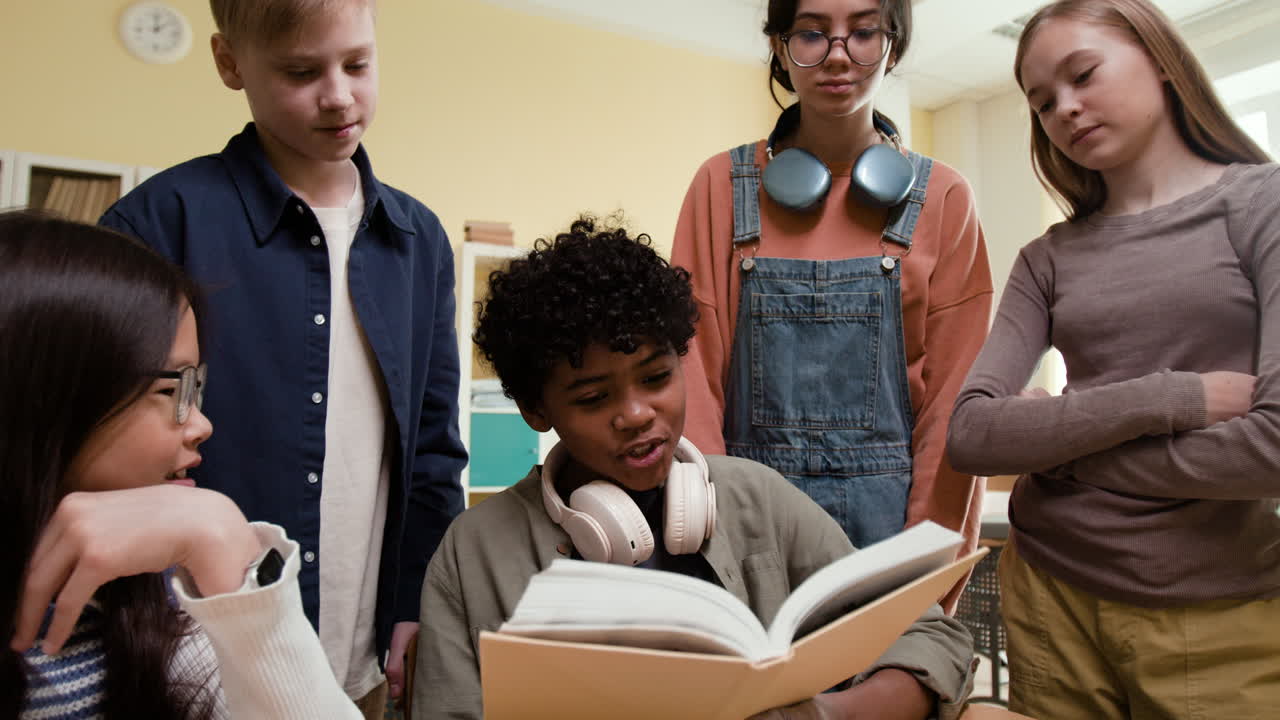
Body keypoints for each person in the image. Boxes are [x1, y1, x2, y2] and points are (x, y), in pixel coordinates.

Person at [412, 217, 975, 720]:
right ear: (537, 410)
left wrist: (832, 714)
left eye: (656, 379)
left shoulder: (756, 497)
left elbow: (929, 633)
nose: (636, 415)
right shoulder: (473, 554)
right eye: (592, 398)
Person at [98, 0, 467, 711]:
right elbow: (104, 457)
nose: (339, 95)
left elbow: (432, 451)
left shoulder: (419, 241)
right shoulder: (156, 222)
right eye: (302, 72)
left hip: (358, 664)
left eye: (358, 63)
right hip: (193, 663)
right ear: (230, 63)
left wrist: (419, 599)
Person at [946, 0, 1280, 717]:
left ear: (1159, 57)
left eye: (1083, 74)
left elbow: (1272, 447)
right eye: (1042, 103)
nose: (1065, 109)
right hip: (1049, 595)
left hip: (1219, 605)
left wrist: (1056, 448)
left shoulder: (1264, 206)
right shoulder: (1046, 259)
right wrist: (1174, 399)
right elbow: (972, 435)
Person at [670, 0, 992, 610]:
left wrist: (927, 586)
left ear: (892, 45)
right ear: (779, 47)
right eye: (812, 33)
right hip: (745, 534)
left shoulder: (945, 198)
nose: (839, 54)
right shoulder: (719, 186)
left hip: (890, 545)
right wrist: (714, 548)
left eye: (864, 32)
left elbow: (955, 412)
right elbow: (692, 385)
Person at [0, 211, 362, 719]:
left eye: (196, 386)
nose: (200, 425)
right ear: (45, 395)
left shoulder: (160, 600)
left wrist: (225, 547)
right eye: (172, 389)